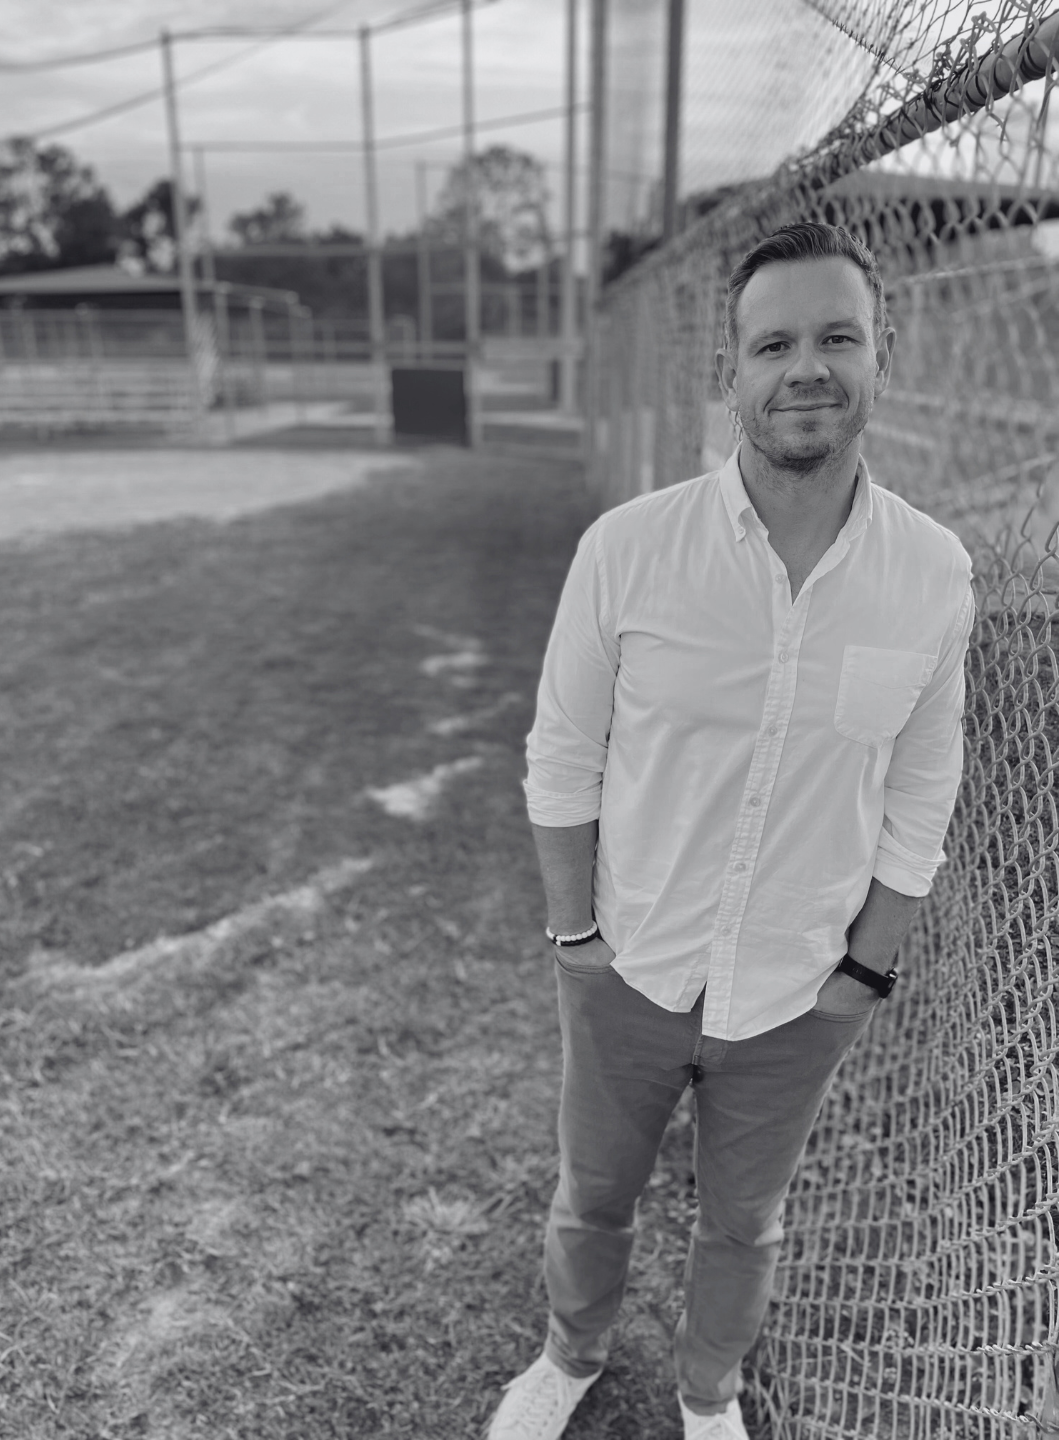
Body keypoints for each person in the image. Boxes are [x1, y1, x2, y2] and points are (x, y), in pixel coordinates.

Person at [486, 222, 975, 1440]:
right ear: (730, 371)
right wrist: (577, 939)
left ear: (882, 353)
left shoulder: (931, 573)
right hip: (629, 967)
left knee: (745, 1221)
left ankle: (709, 1393)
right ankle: (570, 1356)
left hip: (798, 989)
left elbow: (922, 790)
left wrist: (864, 970)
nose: (806, 368)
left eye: (836, 338)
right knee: (593, 1197)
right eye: (773, 344)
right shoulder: (631, 549)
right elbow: (563, 754)